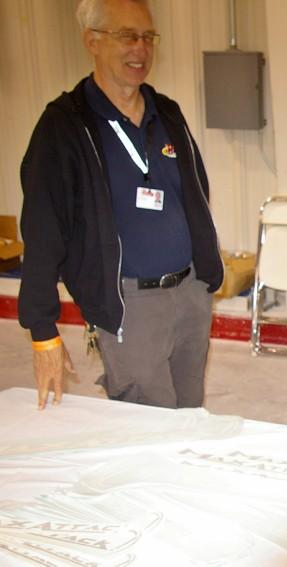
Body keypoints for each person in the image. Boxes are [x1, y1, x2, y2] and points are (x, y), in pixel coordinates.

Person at [19, 0, 223, 410]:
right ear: (92, 40)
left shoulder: (167, 112)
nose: (140, 49)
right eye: (127, 36)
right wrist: (43, 330)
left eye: (148, 37)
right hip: (130, 303)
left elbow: (196, 192)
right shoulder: (65, 126)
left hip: (190, 296)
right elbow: (43, 231)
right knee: (147, 426)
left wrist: (206, 274)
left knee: (189, 417)